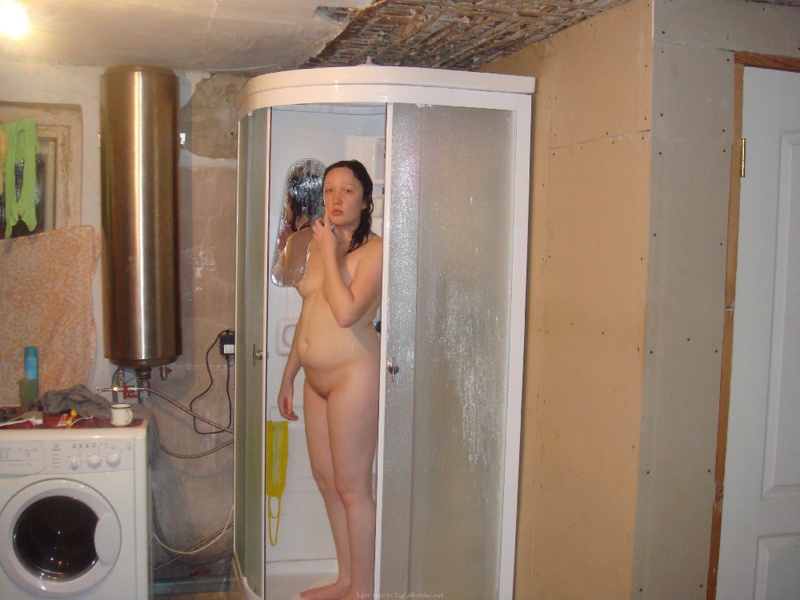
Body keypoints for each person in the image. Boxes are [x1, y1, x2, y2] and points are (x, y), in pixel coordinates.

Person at [278, 159, 383, 600]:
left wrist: (331, 255)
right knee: (326, 481)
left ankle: (363, 590)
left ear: (366, 200)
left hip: (353, 376)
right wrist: (289, 375)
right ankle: (345, 580)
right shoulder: (320, 241)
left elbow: (345, 312)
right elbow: (311, 311)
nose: (336, 199)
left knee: (352, 488)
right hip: (314, 380)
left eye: (348, 191)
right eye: (329, 191)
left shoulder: (374, 251)